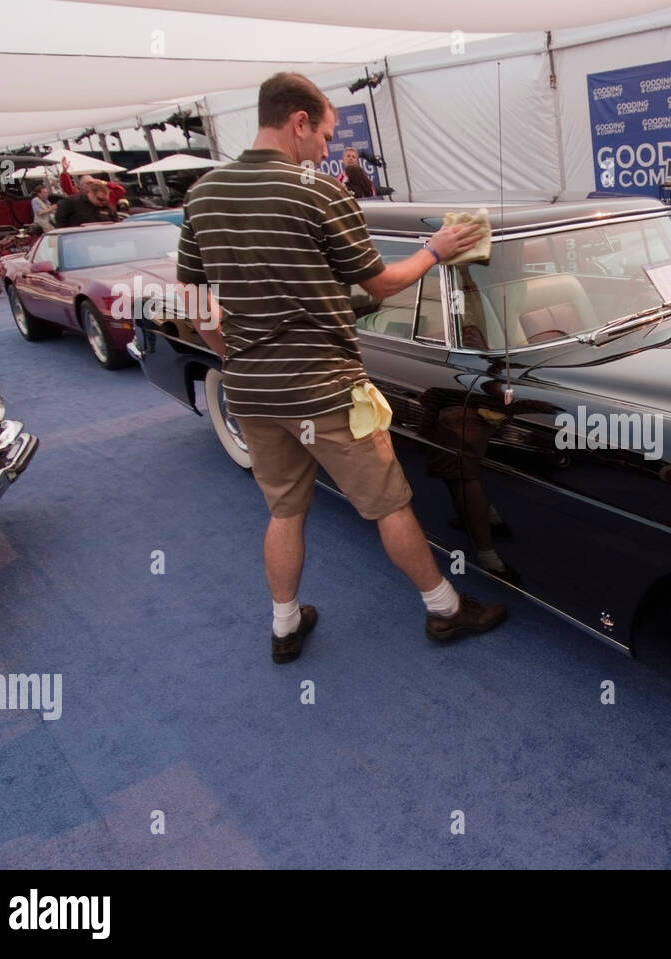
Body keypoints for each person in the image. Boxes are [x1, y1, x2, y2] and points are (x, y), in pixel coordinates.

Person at [176, 71, 504, 664]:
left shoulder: (201, 195)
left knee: (284, 509)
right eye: (324, 135)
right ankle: (446, 610)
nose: (328, 149)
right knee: (388, 503)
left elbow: (197, 309)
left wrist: (241, 362)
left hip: (253, 396)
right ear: (298, 122)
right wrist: (435, 250)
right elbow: (381, 283)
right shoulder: (318, 193)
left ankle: (284, 625)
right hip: (328, 392)